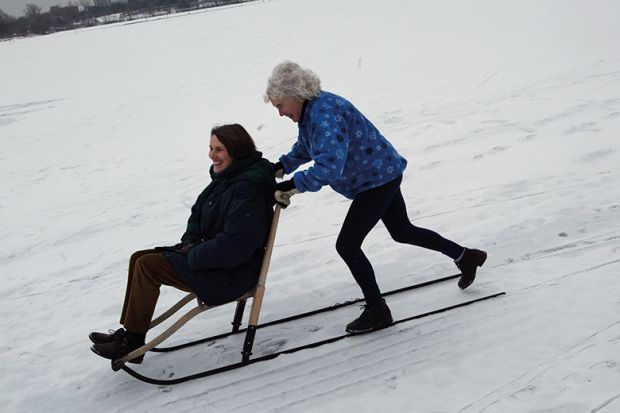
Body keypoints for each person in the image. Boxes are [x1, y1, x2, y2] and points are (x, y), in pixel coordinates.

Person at [265, 61, 487, 335]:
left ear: (295, 95)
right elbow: (309, 146)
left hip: (377, 180)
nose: (280, 113)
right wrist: (281, 166)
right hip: (381, 173)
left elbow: (330, 165)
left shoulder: (323, 113)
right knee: (403, 230)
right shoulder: (312, 110)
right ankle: (466, 257)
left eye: (280, 106)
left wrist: (292, 185)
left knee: (347, 245)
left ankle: (377, 310)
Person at [90, 124, 275, 363]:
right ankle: (131, 334)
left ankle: (132, 344)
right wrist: (189, 242)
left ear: (236, 151)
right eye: (210, 148)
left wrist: (193, 254)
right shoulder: (225, 178)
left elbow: (235, 246)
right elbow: (197, 214)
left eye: (219, 149)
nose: (212, 155)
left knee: (148, 265)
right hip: (215, 263)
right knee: (139, 257)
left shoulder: (246, 190)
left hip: (232, 275)